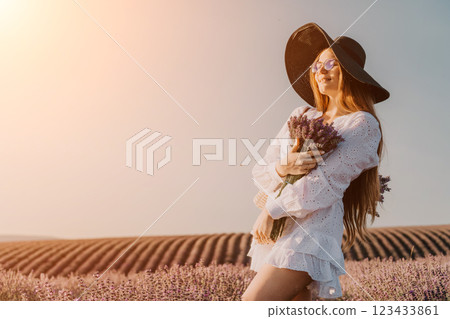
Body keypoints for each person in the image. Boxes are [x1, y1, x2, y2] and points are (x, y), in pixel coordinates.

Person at [242, 22, 390, 301]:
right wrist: (283, 167)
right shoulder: (302, 115)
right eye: (316, 65)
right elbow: (261, 170)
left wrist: (270, 210)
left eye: (331, 63)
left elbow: (324, 185)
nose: (320, 71)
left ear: (350, 73)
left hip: (312, 232)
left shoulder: (362, 123)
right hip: (281, 232)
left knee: (253, 303)